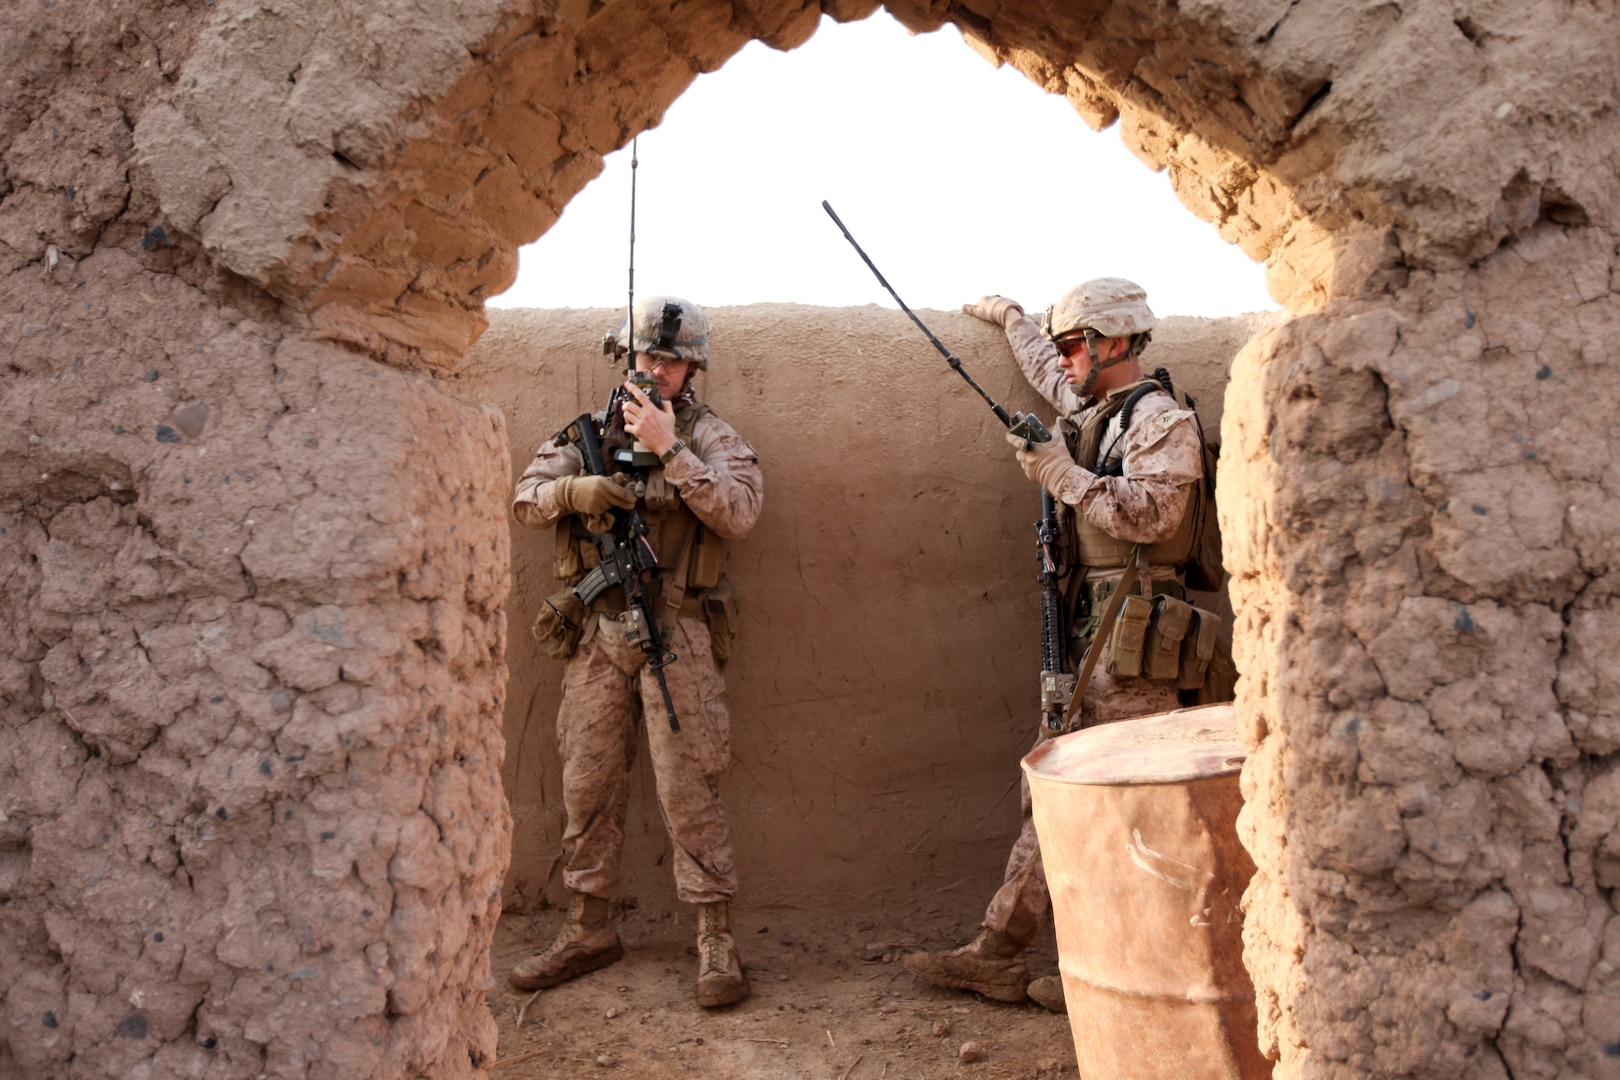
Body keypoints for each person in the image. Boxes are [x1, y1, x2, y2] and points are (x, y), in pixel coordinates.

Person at [903, 279, 1207, 1013]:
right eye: (1065, 344)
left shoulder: (1161, 421)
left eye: (1076, 344)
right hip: (1087, 627)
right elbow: (1048, 372)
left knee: (1129, 811)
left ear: (1112, 343)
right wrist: (1010, 317)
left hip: (1135, 639)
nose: (1066, 359)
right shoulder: (1094, 405)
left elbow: (1155, 512)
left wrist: (1061, 475)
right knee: (1054, 790)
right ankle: (999, 951)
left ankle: (1123, 975)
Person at [508, 296, 763, 1009]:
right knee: (588, 783)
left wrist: (670, 448)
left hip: (676, 631)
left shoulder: (708, 436)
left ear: (691, 370)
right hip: (600, 631)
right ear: (626, 359)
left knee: (690, 786)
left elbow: (740, 512)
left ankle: (714, 937)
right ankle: (588, 926)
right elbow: (525, 500)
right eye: (646, 357)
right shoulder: (588, 431)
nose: (656, 370)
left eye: (671, 361)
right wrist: (574, 488)